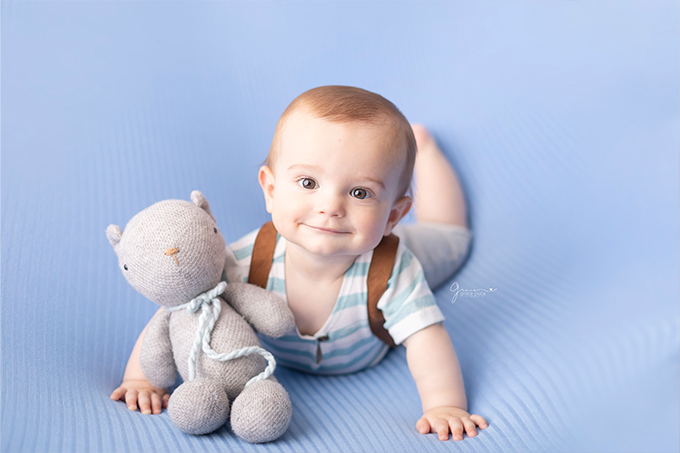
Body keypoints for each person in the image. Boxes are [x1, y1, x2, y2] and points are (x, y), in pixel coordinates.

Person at [111, 86, 488, 442]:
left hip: (384, 250)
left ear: (393, 214)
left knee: (451, 239)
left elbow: (427, 339)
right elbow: (184, 306)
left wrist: (444, 404)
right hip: (359, 241)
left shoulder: (395, 270)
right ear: (271, 191)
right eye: (308, 183)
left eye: (360, 192)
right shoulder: (247, 260)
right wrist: (143, 380)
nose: (330, 207)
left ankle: (427, 150)